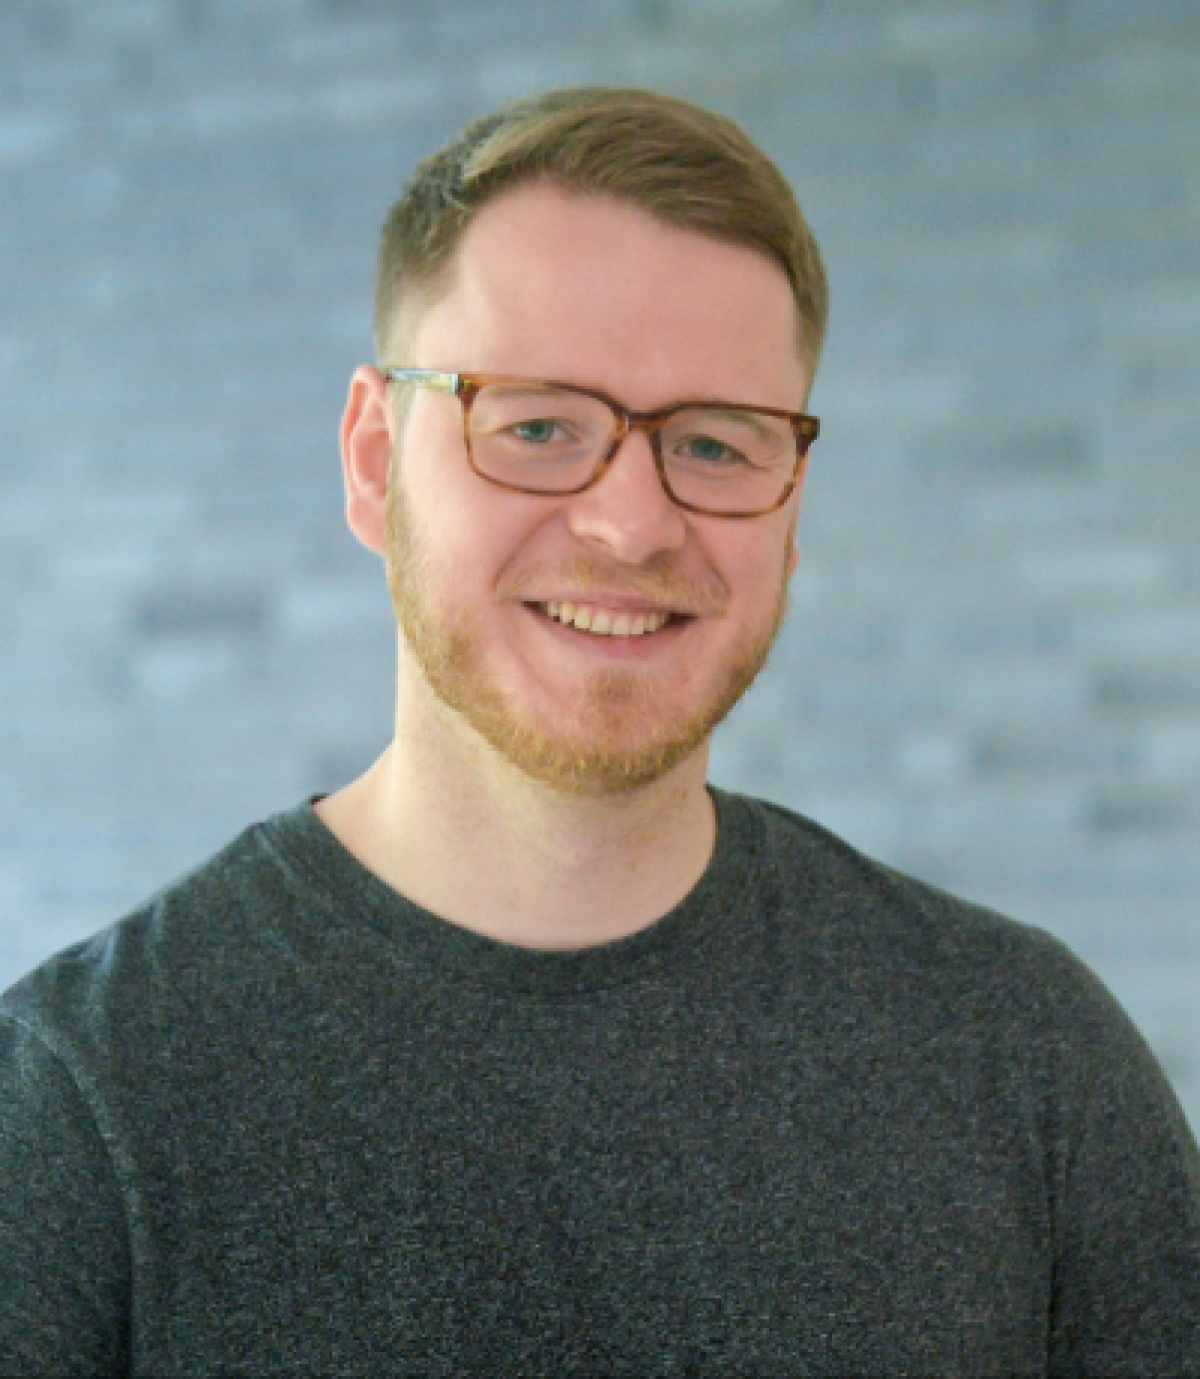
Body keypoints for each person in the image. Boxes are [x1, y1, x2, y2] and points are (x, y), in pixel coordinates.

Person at [1, 86, 1197, 1377]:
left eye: (717, 445)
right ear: (373, 459)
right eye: (535, 426)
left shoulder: (1030, 1059)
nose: (632, 525)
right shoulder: (75, 1108)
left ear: (793, 512)